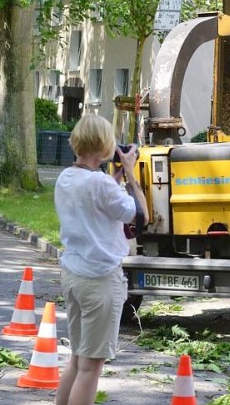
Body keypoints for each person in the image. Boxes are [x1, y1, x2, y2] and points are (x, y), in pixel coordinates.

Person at [54, 114, 149, 405]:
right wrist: (130, 173)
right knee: (91, 367)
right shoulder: (101, 185)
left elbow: (96, 199)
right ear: (103, 145)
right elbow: (140, 215)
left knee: (77, 359)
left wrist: (114, 179)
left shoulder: (66, 178)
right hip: (100, 280)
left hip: (74, 275)